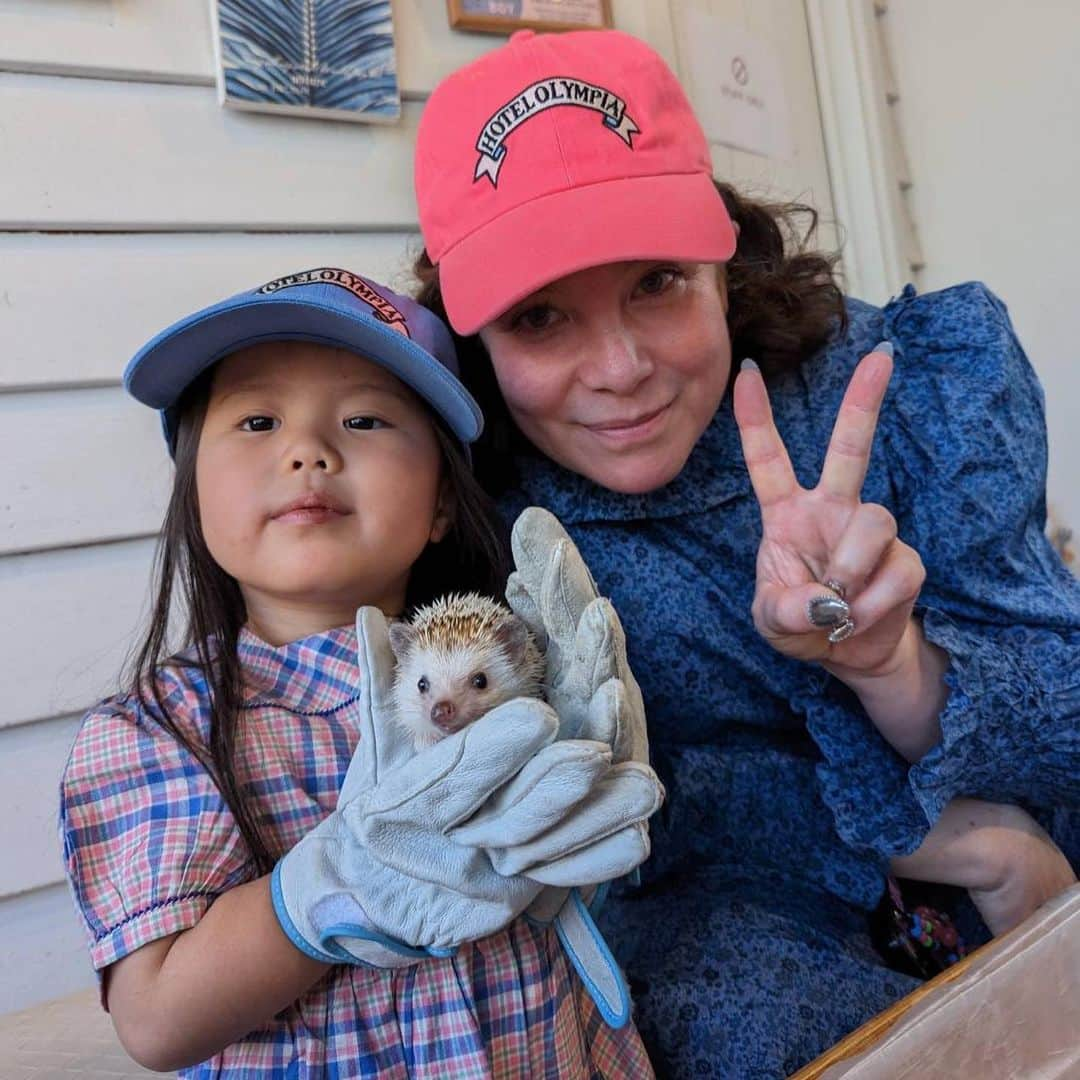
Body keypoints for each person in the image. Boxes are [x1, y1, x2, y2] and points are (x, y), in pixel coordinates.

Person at [411, 28, 1080, 1078]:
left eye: (658, 282)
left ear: (725, 259)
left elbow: (1062, 725)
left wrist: (891, 664)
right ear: (472, 342)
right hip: (756, 974)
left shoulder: (910, 390)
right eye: (542, 318)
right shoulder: (471, 515)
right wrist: (921, 841)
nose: (621, 367)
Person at [58, 268, 666, 1077]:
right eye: (259, 420)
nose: (307, 450)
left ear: (444, 500)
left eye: (364, 417)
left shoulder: (529, 679)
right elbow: (157, 1020)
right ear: (194, 487)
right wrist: (341, 883)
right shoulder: (148, 734)